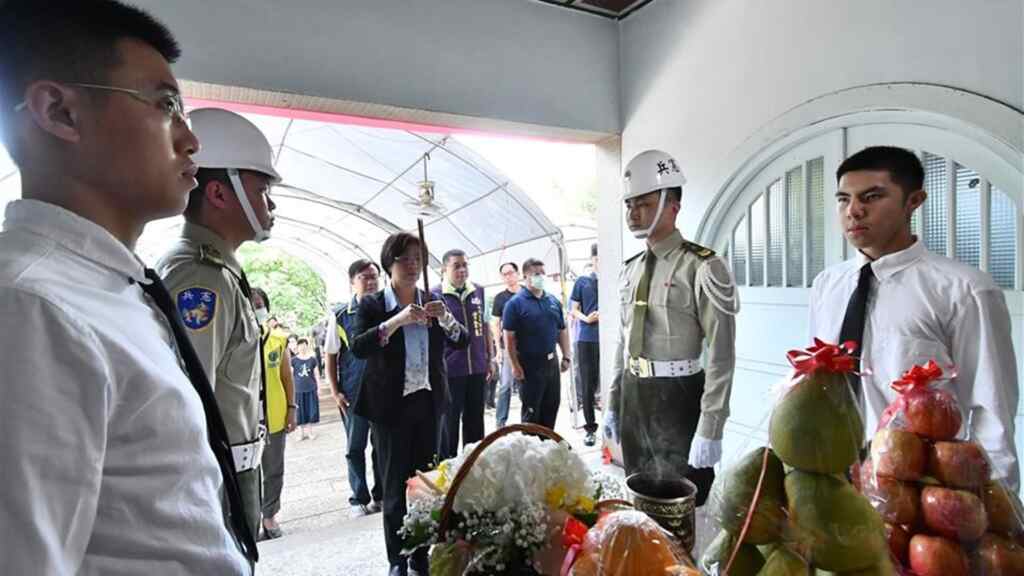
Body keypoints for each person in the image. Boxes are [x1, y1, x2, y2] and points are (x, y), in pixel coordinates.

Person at [0, 1, 252, 572]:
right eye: (165, 105)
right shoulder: (32, 305)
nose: (191, 140)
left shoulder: (111, 289)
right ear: (60, 112)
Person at [809, 145, 1020, 488]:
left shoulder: (963, 289)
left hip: (920, 485)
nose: (854, 211)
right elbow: (820, 382)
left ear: (914, 201)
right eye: (843, 199)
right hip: (834, 474)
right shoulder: (827, 285)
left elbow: (991, 407)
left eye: (872, 196)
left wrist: (995, 504)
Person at [156, 107, 281, 539]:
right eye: (262, 190)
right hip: (216, 481)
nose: (271, 204)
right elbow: (189, 408)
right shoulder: (199, 278)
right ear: (219, 194)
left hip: (234, 471)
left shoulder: (218, 271)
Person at [606, 149, 739, 506]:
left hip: (679, 395)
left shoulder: (702, 267)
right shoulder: (630, 269)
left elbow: (722, 355)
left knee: (682, 505)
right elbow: (623, 341)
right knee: (640, 497)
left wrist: (711, 426)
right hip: (636, 393)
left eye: (644, 204)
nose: (633, 213)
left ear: (672, 206)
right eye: (630, 204)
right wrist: (614, 401)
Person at [350, 232, 468, 576]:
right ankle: (397, 560)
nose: (413, 265)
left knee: (425, 485)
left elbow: (462, 340)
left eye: (418, 258)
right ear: (390, 263)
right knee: (393, 488)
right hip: (389, 409)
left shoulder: (433, 300)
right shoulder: (373, 304)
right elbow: (359, 346)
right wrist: (399, 319)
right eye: (405, 258)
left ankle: (420, 556)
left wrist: (444, 317)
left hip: (428, 404)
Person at [326, 259, 384, 516]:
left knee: (382, 444)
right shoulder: (340, 315)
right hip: (353, 391)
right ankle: (358, 499)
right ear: (352, 282)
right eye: (364, 277)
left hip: (383, 388)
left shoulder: (387, 307)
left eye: (374, 277)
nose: (371, 282)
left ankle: (381, 494)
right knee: (354, 447)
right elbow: (330, 355)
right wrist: (335, 390)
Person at [432, 249, 495, 458]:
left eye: (465, 265)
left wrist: (490, 357)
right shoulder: (434, 294)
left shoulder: (479, 291)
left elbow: (484, 326)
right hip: (450, 370)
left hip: (477, 367)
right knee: (449, 424)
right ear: (444, 269)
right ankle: (449, 472)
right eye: (456, 265)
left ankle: (474, 467)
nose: (462, 270)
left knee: (475, 422)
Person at [502, 258, 572, 430]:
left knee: (551, 407)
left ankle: (547, 449)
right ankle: (532, 451)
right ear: (525, 277)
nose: (540, 277)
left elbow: (562, 330)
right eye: (536, 274)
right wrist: (515, 366)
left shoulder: (553, 301)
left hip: (551, 362)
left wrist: (566, 356)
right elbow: (509, 338)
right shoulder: (515, 304)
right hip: (529, 365)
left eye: (542, 273)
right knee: (532, 413)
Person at [252, 287, 296, 540]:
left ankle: (269, 515)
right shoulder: (234, 337)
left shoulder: (278, 340)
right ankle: (251, 517)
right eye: (250, 302)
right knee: (249, 473)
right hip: (244, 419)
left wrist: (291, 409)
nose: (255, 307)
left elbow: (286, 377)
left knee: (273, 468)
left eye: (259, 303)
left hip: (274, 415)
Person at [570, 243, 601, 446]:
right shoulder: (582, 281)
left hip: (609, 339)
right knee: (588, 386)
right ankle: (590, 428)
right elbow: (573, 309)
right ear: (593, 259)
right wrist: (586, 319)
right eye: (598, 257)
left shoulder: (616, 277)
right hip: (587, 338)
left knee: (610, 384)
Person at [491, 261, 522, 427]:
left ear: (518, 274)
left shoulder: (526, 293)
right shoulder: (500, 298)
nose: (509, 277)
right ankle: (500, 424)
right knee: (505, 386)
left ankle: (530, 420)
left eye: (511, 273)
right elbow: (495, 323)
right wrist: (498, 348)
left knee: (528, 385)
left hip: (528, 347)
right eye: (505, 274)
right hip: (508, 348)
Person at [292, 337, 322, 439]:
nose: (302, 348)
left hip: (311, 388)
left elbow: (316, 374)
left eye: (304, 345)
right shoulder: (294, 360)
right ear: (297, 347)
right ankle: (300, 433)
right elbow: (291, 375)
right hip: (298, 390)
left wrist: (319, 387)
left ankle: (310, 432)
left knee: (310, 410)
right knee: (299, 412)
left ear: (307, 346)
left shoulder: (312, 359)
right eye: (300, 345)